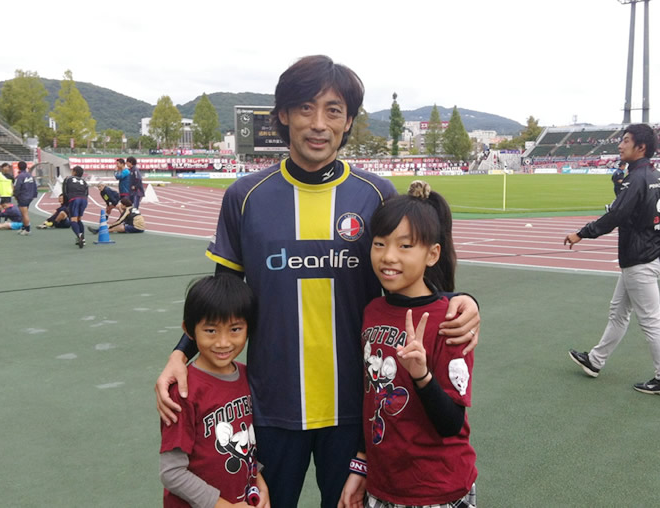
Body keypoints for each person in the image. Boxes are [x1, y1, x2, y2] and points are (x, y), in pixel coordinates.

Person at [155, 55, 481, 508]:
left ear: (348, 121)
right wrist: (180, 352)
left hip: (357, 409)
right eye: (306, 108)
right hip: (270, 405)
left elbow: (416, 274)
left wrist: (464, 299)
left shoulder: (376, 194)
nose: (319, 124)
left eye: (333, 110)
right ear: (283, 115)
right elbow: (223, 298)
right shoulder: (244, 196)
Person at [340, 180, 476, 508]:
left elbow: (452, 423)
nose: (388, 257)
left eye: (405, 246)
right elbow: (372, 398)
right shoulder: (373, 311)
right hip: (384, 484)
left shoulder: (451, 320)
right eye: (379, 243)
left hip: (436, 488)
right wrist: (361, 465)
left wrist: (422, 376)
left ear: (432, 254)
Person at [565, 123, 660, 396]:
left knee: (651, 320)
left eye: (626, 141)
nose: (620, 145)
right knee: (618, 313)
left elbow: (617, 215)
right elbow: (653, 214)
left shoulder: (637, 179)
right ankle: (595, 360)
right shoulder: (657, 176)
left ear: (641, 147)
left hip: (639, 258)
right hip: (647, 255)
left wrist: (581, 233)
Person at [160, 274, 270, 508]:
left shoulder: (247, 376)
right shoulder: (183, 391)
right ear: (189, 330)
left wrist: (259, 482)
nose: (223, 342)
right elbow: (172, 473)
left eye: (235, 329)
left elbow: (246, 446)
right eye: (211, 331)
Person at [62, 165, 89, 248]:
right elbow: (87, 193)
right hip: (84, 199)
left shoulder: (68, 179)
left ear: (74, 172)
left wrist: (66, 204)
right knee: (79, 219)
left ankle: (79, 236)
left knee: (73, 220)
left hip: (74, 199)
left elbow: (65, 191)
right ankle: (83, 238)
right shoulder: (84, 181)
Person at [13, 161, 38, 236]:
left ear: (18, 167)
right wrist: (34, 194)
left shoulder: (20, 176)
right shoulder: (30, 176)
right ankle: (24, 227)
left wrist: (16, 195)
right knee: (24, 213)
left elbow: (17, 187)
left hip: (23, 196)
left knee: (24, 214)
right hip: (30, 196)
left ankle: (27, 229)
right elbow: (35, 185)